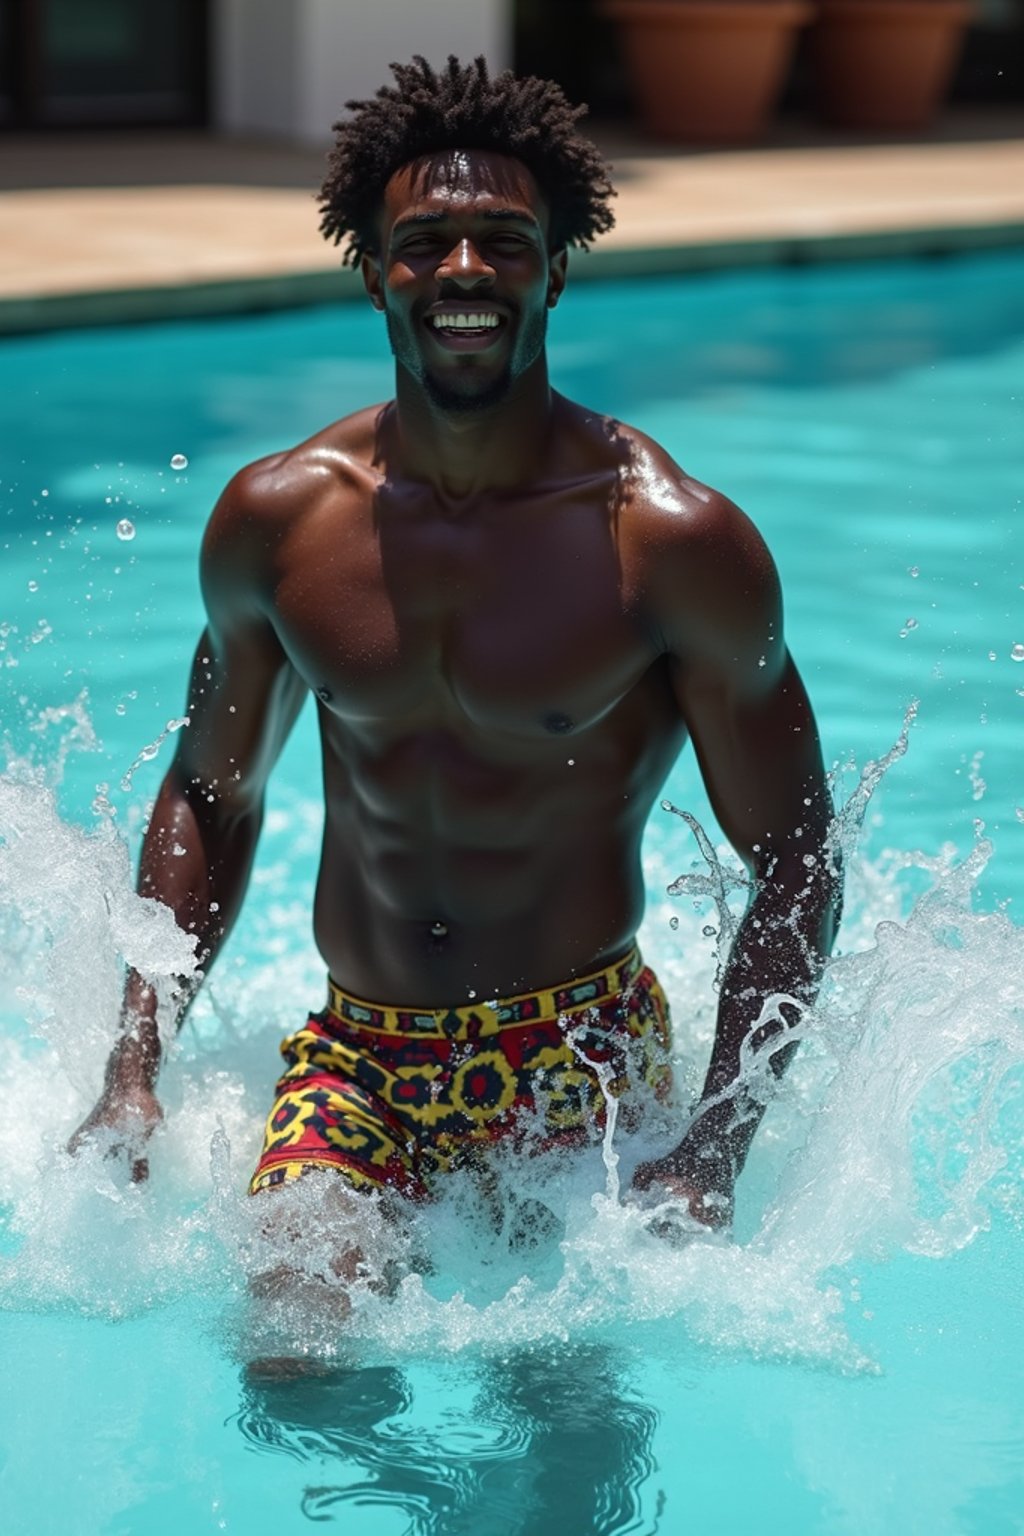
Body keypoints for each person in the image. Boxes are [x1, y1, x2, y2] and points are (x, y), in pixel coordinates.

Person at [70, 56, 841, 1254]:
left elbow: (794, 857)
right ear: (375, 274)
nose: (465, 271)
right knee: (296, 1351)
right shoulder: (280, 521)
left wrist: (710, 1146)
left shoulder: (670, 540)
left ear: (555, 272)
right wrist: (132, 1068)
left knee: (565, 1427)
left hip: (579, 1058)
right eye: (426, 242)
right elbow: (210, 796)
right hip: (357, 1056)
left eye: (504, 239)